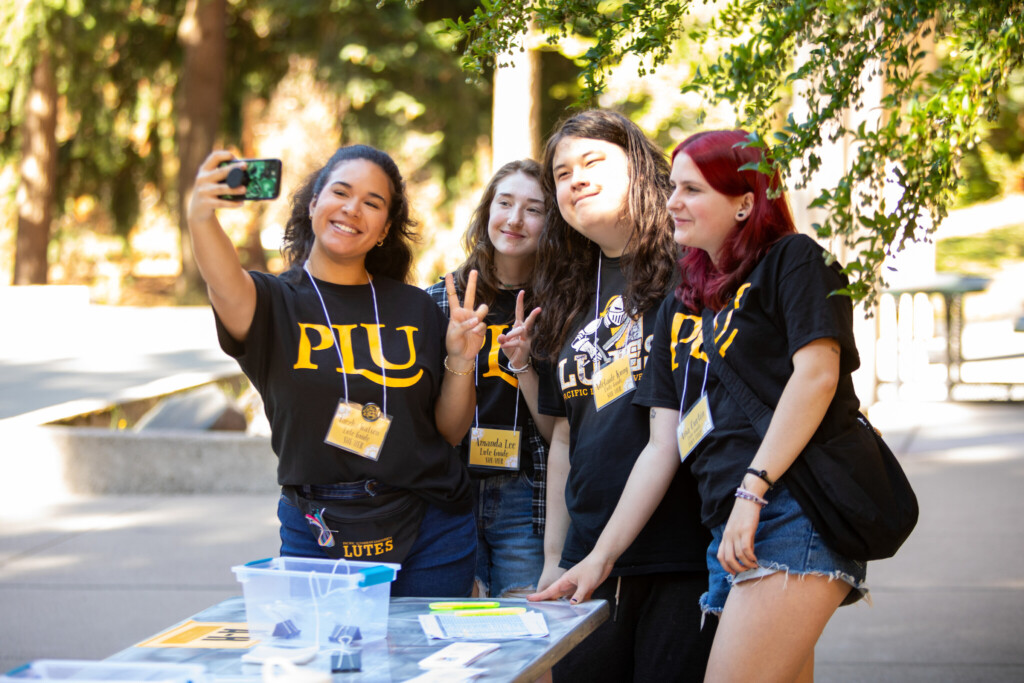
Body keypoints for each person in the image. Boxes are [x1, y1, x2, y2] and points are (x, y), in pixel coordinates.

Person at [535, 129, 870, 682]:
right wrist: (597, 558)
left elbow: (817, 377)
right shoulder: (686, 300)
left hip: (787, 508)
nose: (672, 202)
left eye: (691, 189)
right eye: (673, 188)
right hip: (728, 528)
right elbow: (662, 445)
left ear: (744, 201)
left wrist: (753, 487)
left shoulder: (793, 259)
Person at [186, 144, 489, 598]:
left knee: (425, 668)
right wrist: (201, 217)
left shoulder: (415, 307)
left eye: (373, 203)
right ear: (313, 204)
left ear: (385, 229)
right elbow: (223, 280)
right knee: (330, 667)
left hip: (432, 527)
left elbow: (448, 431)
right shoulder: (271, 303)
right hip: (317, 531)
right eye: (341, 193)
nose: (353, 209)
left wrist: (462, 360)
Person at [521, 110, 715, 682]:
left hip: (682, 552)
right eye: (561, 173)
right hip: (586, 562)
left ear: (641, 168)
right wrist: (554, 560)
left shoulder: (693, 270)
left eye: (593, 162)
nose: (575, 179)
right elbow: (562, 439)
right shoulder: (564, 293)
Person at [425, 159, 553, 599]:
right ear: (487, 211)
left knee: (533, 636)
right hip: (453, 492)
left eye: (534, 209)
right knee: (461, 642)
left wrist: (527, 362)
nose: (515, 219)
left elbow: (561, 426)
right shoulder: (440, 300)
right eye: (505, 203)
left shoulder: (561, 305)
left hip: (526, 495)